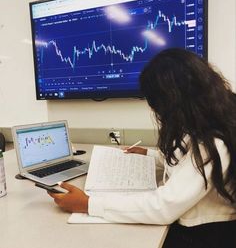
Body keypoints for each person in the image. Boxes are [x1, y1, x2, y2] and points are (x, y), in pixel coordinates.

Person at [48, 48, 236, 247]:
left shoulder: (214, 141)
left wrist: (88, 203)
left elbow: (164, 207)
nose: (158, 112)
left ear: (176, 101)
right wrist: (151, 155)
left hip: (205, 236)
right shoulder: (208, 121)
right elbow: (186, 160)